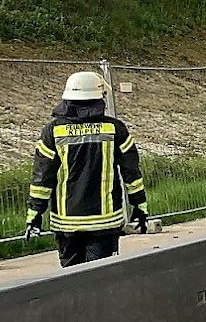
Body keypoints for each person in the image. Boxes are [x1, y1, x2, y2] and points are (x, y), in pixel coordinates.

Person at [26, 71, 149, 267]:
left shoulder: (53, 131)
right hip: (105, 222)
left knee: (71, 280)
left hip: (66, 223)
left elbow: (42, 178)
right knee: (101, 280)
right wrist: (140, 206)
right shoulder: (115, 129)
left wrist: (34, 213)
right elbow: (131, 173)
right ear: (99, 98)